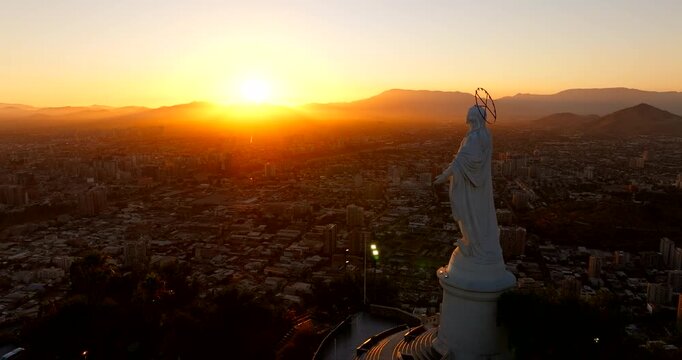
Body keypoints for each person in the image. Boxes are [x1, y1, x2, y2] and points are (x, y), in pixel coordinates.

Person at [434, 105, 503, 265]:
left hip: (469, 187)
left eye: (470, 120)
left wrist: (444, 175)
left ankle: (473, 246)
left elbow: (461, 161)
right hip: (479, 186)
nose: (468, 124)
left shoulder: (474, 138)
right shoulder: (486, 135)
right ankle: (475, 244)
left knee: (469, 214)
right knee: (478, 215)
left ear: (474, 120)